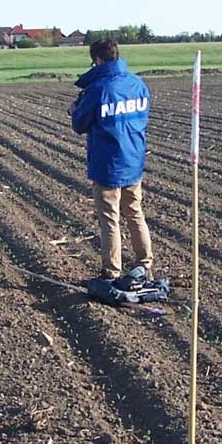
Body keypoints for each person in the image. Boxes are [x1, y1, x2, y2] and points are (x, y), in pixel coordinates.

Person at [69, 39, 154, 281]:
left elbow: (79, 124)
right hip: (133, 160)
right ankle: (145, 265)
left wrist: (75, 109)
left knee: (110, 219)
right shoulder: (138, 84)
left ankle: (111, 272)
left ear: (97, 60)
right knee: (135, 213)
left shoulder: (98, 90)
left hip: (108, 165)